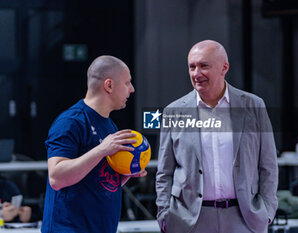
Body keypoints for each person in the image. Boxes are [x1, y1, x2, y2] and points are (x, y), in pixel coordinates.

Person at [156, 40, 278, 233]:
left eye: (204, 66)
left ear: (224, 67)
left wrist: (267, 212)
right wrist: (164, 215)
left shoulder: (254, 106)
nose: (197, 74)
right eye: (192, 67)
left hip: (244, 219)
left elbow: (268, 164)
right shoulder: (174, 112)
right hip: (189, 222)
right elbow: (164, 171)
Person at [41, 55, 147, 233]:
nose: (132, 89)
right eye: (127, 83)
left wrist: (127, 172)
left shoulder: (110, 125)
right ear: (109, 85)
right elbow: (56, 178)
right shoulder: (71, 121)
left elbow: (98, 184)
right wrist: (102, 150)